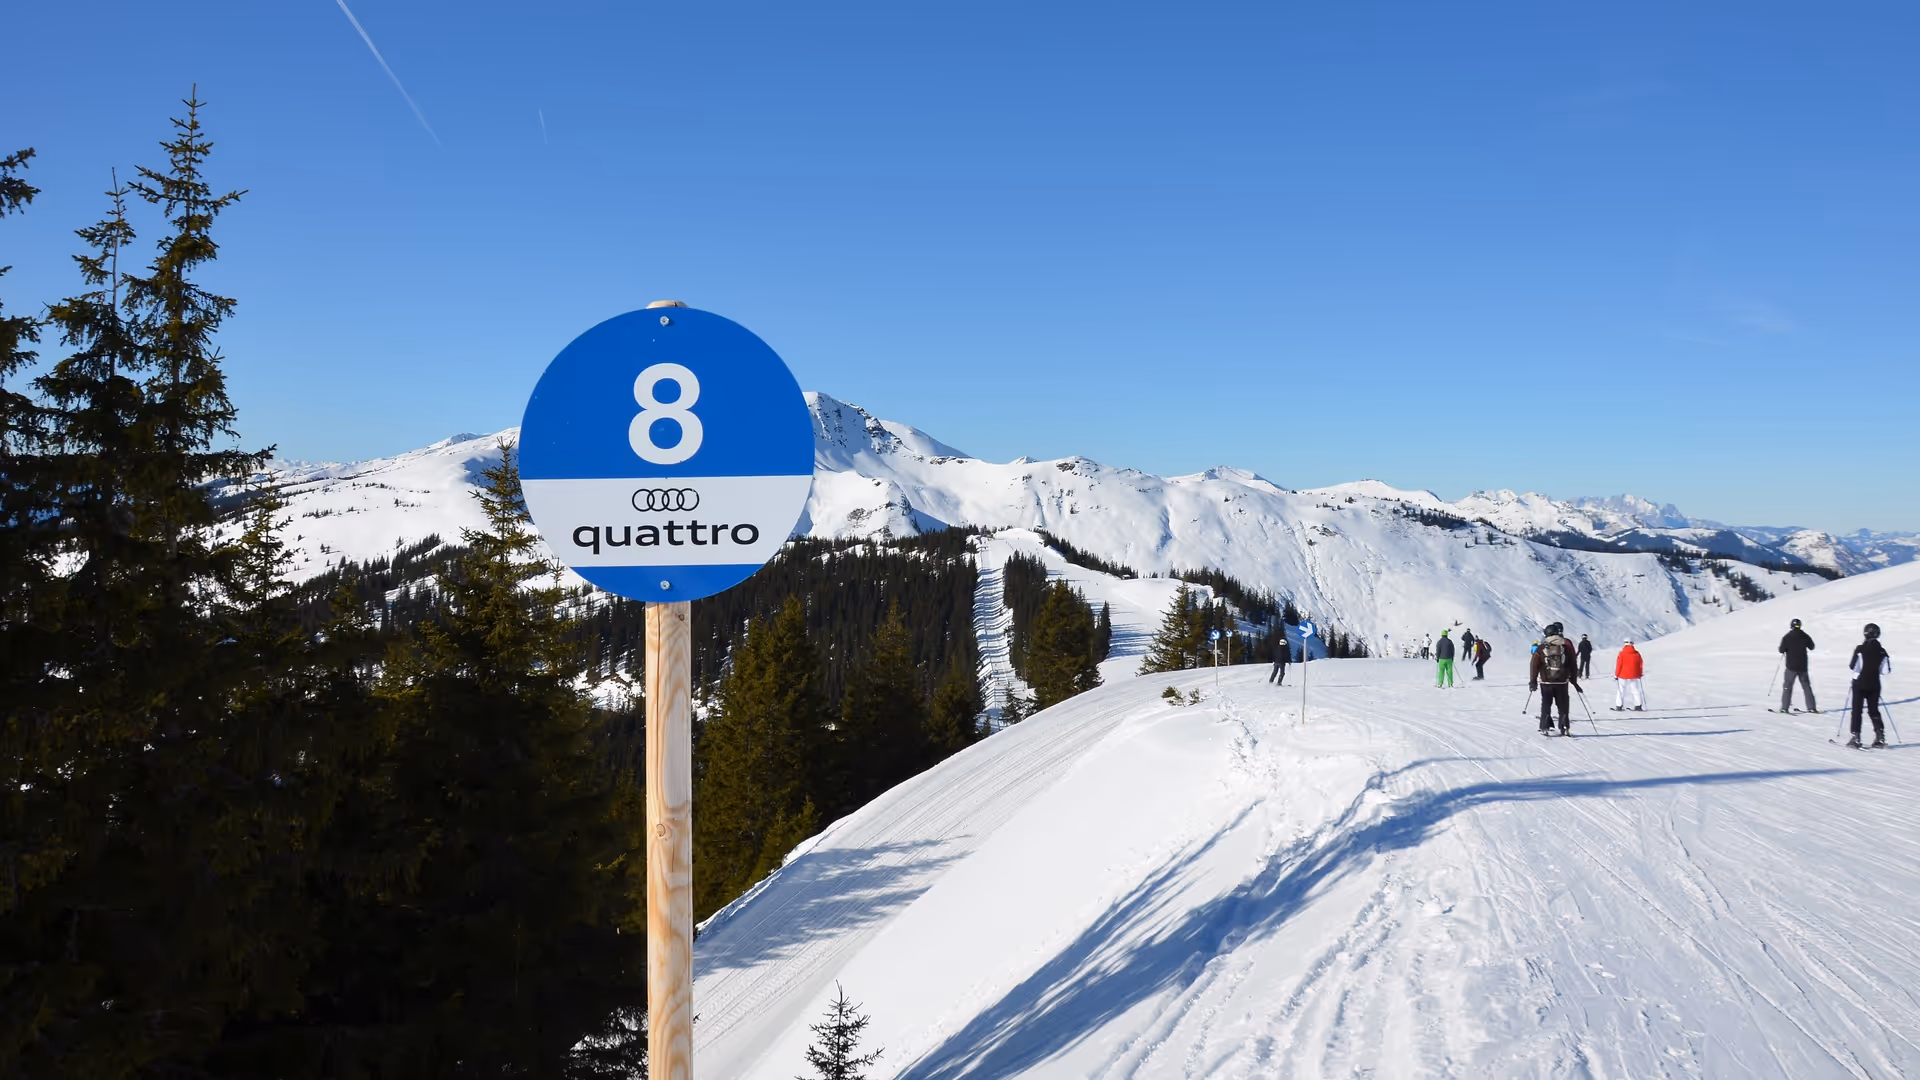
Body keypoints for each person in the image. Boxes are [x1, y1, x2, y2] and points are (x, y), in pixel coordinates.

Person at [1529, 622, 1582, 735]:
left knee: (1546, 704)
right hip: (1562, 682)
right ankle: (1565, 726)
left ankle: (1545, 727)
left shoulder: (1541, 648)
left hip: (1546, 682)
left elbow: (1534, 665)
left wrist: (1533, 681)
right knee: (1563, 704)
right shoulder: (1566, 647)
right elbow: (1573, 665)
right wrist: (1574, 681)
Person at [1847, 623, 1892, 749]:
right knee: (1874, 711)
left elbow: (1853, 666)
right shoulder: (1882, 651)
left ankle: (1856, 737)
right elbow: (1886, 670)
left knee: (1857, 711)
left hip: (1860, 684)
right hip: (1875, 685)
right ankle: (1880, 737)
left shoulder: (1860, 649)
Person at [1778, 618, 1817, 713]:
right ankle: (1811, 707)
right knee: (1806, 687)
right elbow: (1812, 647)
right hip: (1803, 666)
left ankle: (1784, 708)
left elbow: (1781, 650)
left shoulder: (1787, 637)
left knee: (1787, 686)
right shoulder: (1805, 636)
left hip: (1791, 666)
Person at [1612, 638, 1645, 711]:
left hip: (1623, 675)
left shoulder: (1622, 653)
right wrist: (1639, 674)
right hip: (1634, 675)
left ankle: (1619, 706)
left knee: (1621, 690)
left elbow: (1619, 665)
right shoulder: (1637, 653)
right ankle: (1638, 706)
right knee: (1635, 690)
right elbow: (1640, 664)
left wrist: (1616, 675)